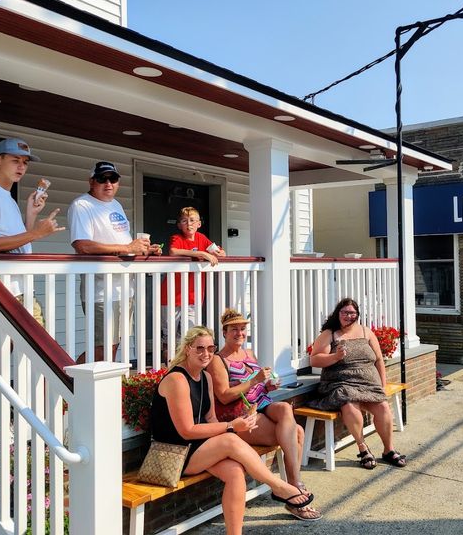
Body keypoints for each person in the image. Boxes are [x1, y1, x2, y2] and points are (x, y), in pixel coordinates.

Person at [150, 326, 315, 535]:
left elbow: (210, 418)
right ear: (187, 349)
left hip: (198, 447)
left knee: (236, 472)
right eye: (199, 348)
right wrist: (231, 426)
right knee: (231, 440)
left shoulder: (205, 377)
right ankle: (279, 486)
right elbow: (186, 431)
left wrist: (241, 420)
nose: (206, 353)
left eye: (211, 348)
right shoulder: (177, 379)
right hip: (173, 453)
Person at [207, 309, 321, 521]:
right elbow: (223, 396)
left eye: (242, 329)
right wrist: (256, 380)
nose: (239, 333)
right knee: (296, 431)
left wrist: (268, 385)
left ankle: (291, 487)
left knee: (286, 409)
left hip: (262, 403)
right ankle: (293, 491)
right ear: (224, 332)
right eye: (234, 330)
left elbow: (259, 386)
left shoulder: (249, 353)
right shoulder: (218, 360)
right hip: (240, 414)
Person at [68, 161, 161, 362]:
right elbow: (82, 245)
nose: (108, 183)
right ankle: (71, 386)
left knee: (113, 346)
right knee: (102, 350)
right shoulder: (82, 205)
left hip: (124, 289)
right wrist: (128, 248)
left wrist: (143, 250)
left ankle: (89, 389)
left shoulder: (115, 205)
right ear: (92, 181)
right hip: (101, 292)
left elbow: (123, 243)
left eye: (113, 179)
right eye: (102, 179)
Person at [0, 138, 64, 325]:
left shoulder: (7, 197)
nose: (21, 167)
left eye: (25, 162)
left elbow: (18, 243)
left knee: (18, 349)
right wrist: (36, 233)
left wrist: (30, 215)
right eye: (15, 160)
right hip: (3, 291)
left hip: (19, 289)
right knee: (30, 349)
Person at [309, 298, 407, 470]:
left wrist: (382, 386)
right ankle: (362, 447)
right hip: (340, 382)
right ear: (338, 314)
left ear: (357, 315)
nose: (348, 316)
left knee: (383, 407)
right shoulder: (329, 334)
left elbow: (378, 360)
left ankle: (388, 450)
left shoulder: (366, 332)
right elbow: (314, 360)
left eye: (352, 313)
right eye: (345, 312)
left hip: (368, 383)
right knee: (349, 404)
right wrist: (335, 357)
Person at [161, 207, 226, 344]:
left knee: (190, 334)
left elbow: (218, 251)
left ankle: (186, 363)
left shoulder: (202, 238)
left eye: (192, 220)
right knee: (169, 335)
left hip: (193, 296)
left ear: (199, 224)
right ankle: (169, 363)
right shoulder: (177, 238)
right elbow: (174, 251)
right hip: (171, 296)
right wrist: (202, 254)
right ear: (179, 225)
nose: (189, 224)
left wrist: (220, 253)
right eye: (184, 221)